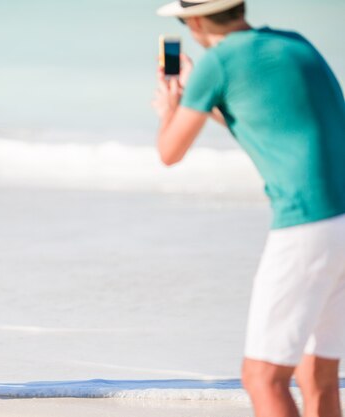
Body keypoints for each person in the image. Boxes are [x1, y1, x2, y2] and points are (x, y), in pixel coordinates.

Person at [152, 1, 345, 416]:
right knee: (319, 377)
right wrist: (202, 98)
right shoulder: (296, 44)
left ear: (198, 21)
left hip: (307, 224)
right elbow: (265, 114)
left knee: (262, 377)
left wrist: (172, 110)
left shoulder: (217, 62)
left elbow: (169, 151)